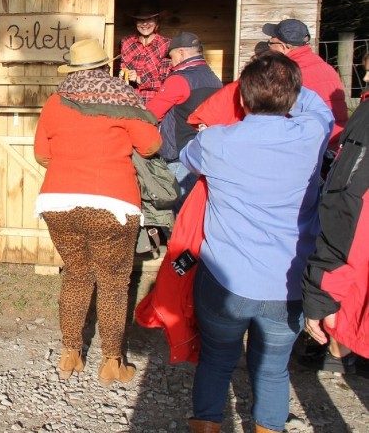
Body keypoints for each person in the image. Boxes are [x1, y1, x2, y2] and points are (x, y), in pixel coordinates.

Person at [180, 52, 333, 433]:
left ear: (244, 98)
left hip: (224, 279)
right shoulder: (312, 135)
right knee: (272, 369)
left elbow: (186, 156)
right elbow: (319, 109)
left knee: (216, 359)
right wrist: (284, 87)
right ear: (292, 95)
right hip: (288, 282)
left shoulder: (216, 142)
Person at [33, 38, 161, 386]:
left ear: (73, 70)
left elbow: (41, 154)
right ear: (106, 66)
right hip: (112, 204)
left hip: (58, 202)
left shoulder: (56, 101)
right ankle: (111, 363)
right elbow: (151, 146)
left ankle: (70, 354)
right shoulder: (120, 98)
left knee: (76, 273)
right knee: (114, 284)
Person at [302, 52, 369, 374]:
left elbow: (348, 209)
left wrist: (323, 293)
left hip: (351, 272)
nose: (365, 80)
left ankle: (334, 352)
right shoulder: (327, 73)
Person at [146, 32, 222, 210]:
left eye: (171, 57)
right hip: (206, 153)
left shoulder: (179, 79)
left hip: (181, 156)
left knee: (176, 210)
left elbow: (151, 114)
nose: (170, 62)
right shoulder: (214, 79)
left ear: (181, 53)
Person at [262, 18, 347, 147]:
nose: (268, 49)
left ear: (284, 47)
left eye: (270, 43)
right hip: (337, 141)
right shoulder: (325, 67)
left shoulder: (287, 72)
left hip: (312, 144)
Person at [118, 3, 171, 104]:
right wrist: (125, 75)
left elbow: (166, 83)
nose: (145, 24)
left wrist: (139, 79)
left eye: (149, 19)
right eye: (140, 20)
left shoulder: (166, 45)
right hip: (129, 101)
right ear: (135, 22)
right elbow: (121, 72)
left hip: (154, 103)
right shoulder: (126, 42)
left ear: (156, 21)